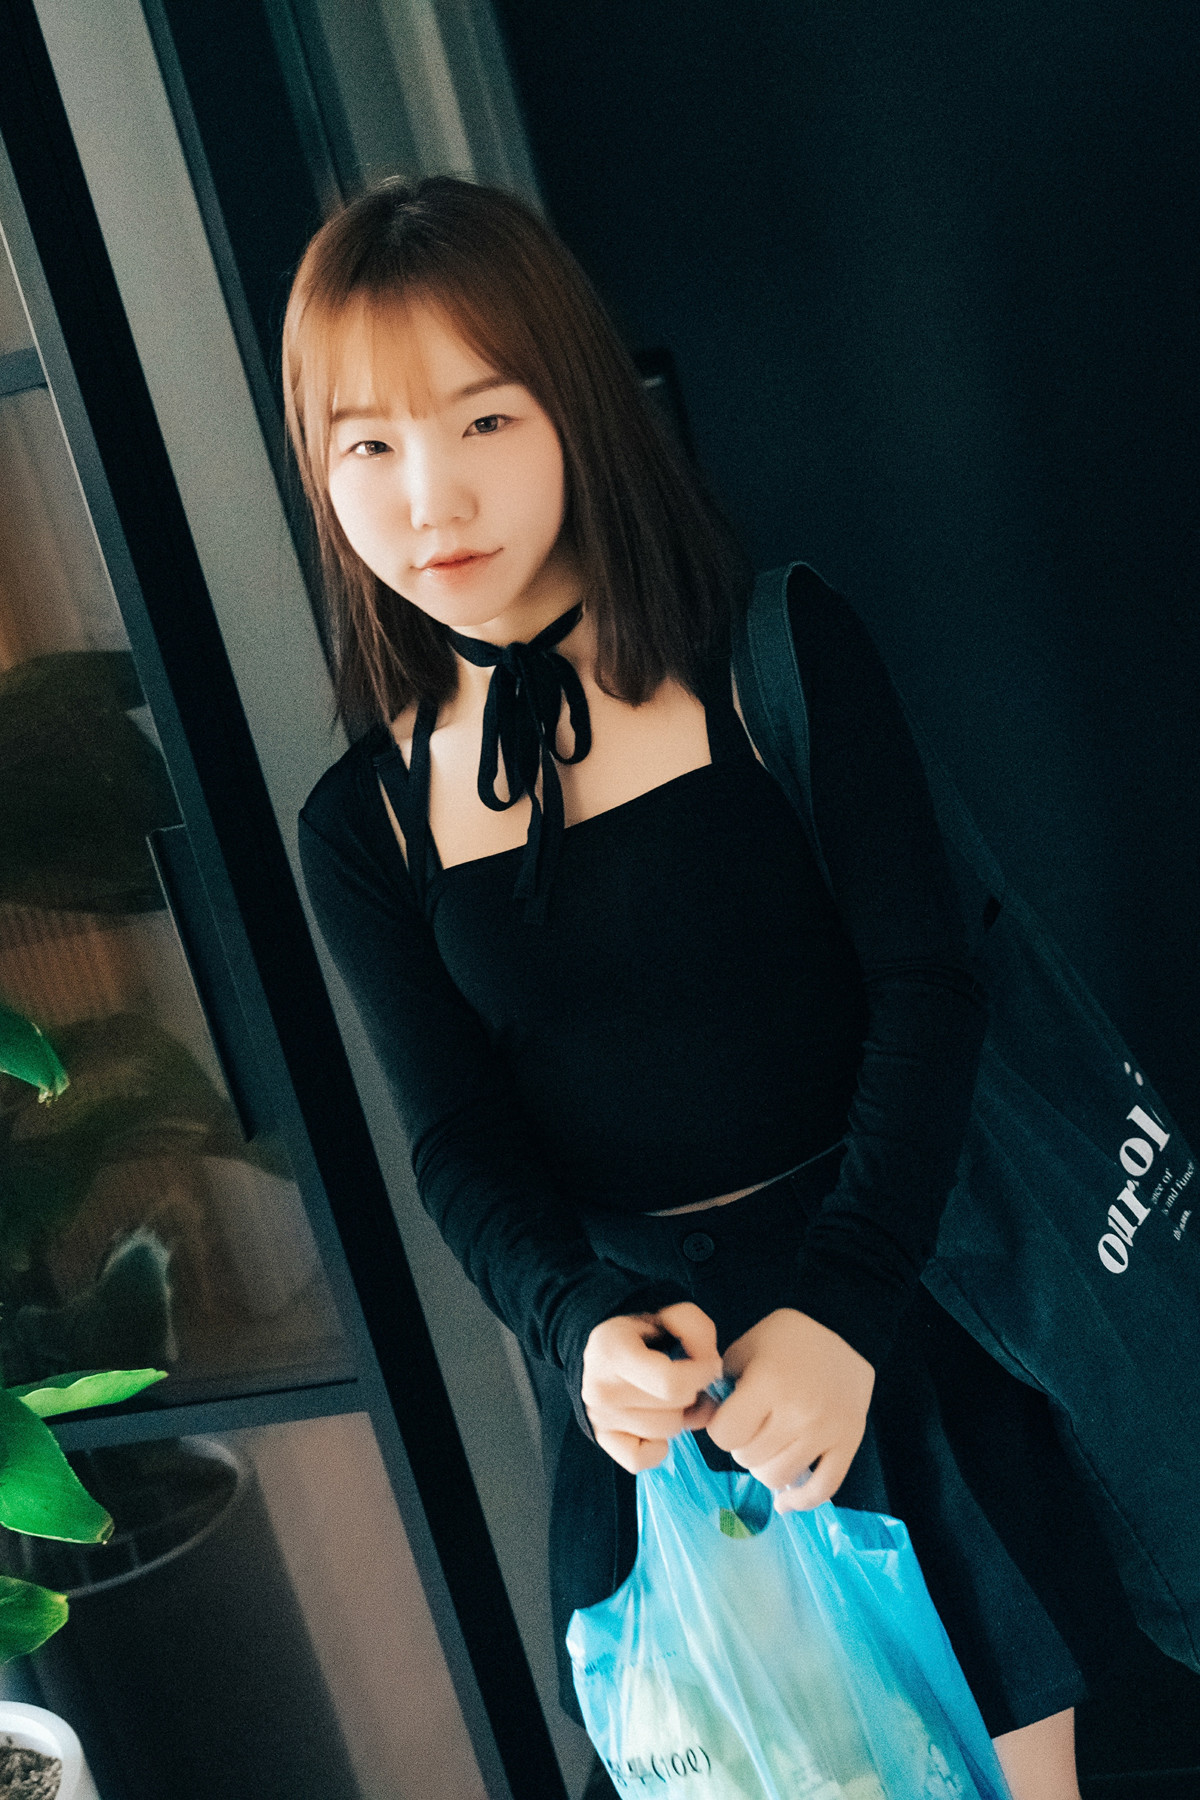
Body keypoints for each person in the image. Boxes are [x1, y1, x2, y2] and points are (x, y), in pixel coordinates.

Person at [290, 176, 1135, 1800]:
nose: (428, 498)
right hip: (651, 1406)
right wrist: (580, 1329)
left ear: (576, 407)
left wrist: (846, 1307)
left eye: (484, 420)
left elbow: (927, 988)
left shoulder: (773, 654)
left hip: (893, 1328)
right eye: (367, 446)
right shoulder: (365, 822)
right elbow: (458, 1142)